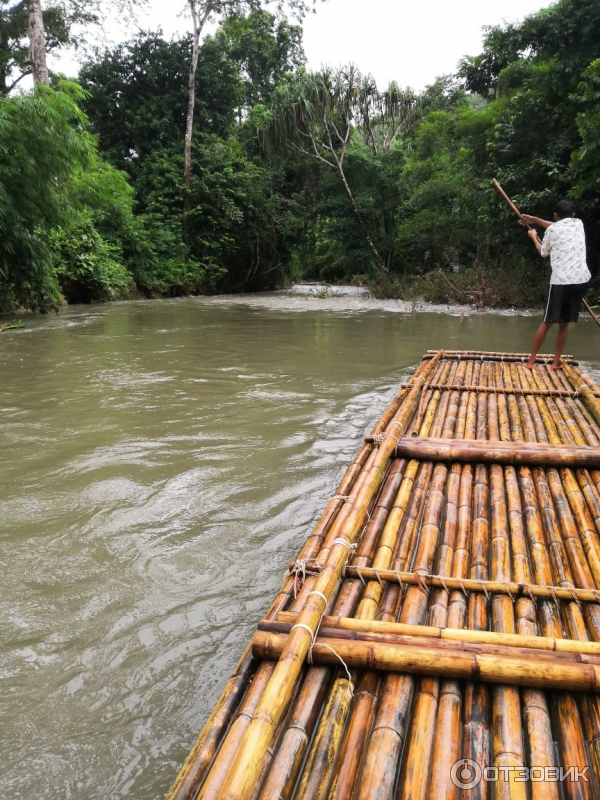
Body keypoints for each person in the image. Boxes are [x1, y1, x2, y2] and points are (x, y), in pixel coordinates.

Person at [522, 199, 591, 370]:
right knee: (564, 323)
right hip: (580, 279)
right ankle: (555, 363)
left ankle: (531, 362)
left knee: (547, 322)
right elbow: (558, 226)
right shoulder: (578, 224)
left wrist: (533, 237)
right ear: (573, 215)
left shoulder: (553, 229)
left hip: (561, 281)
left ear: (555, 215)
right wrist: (535, 219)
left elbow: (543, 252)